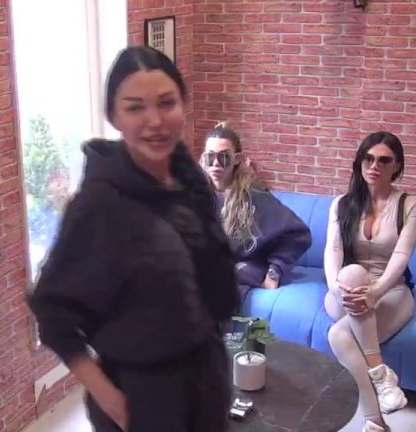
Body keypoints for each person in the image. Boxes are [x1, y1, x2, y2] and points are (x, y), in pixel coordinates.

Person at [28, 46, 239, 432]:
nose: (155, 121)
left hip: (204, 383)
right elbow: (52, 313)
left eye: (166, 103)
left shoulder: (191, 182)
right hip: (142, 398)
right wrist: (114, 402)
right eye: (135, 107)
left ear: (183, 104)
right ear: (114, 116)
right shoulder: (99, 203)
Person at [323, 131, 416, 432]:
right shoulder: (342, 203)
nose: (374, 166)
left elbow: (402, 255)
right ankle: (381, 375)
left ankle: (374, 422)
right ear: (360, 162)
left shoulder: (410, 204)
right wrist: (335, 289)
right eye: (368, 159)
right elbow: (333, 249)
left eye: (384, 160)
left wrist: (375, 292)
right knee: (351, 273)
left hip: (390, 290)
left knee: (338, 336)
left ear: (397, 165)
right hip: (344, 292)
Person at [200, 122, 312, 302]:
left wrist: (275, 271)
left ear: (237, 159)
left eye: (224, 157)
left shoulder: (255, 196)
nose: (215, 164)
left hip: (247, 264)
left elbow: (298, 234)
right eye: (210, 156)